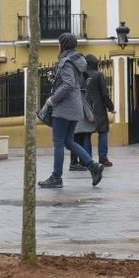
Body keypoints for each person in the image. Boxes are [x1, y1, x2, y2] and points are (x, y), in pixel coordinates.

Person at [37, 33, 101, 188]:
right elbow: (75, 82)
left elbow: (69, 84)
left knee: (58, 142)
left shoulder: (65, 61)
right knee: (68, 141)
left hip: (64, 107)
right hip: (75, 106)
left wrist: (52, 100)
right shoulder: (78, 60)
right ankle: (93, 166)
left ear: (63, 45)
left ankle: (56, 177)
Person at [80, 61, 114, 169]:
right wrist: (110, 107)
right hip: (99, 108)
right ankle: (103, 159)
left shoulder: (81, 75)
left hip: (85, 108)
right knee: (103, 132)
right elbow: (104, 94)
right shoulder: (98, 75)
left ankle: (88, 160)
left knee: (86, 134)